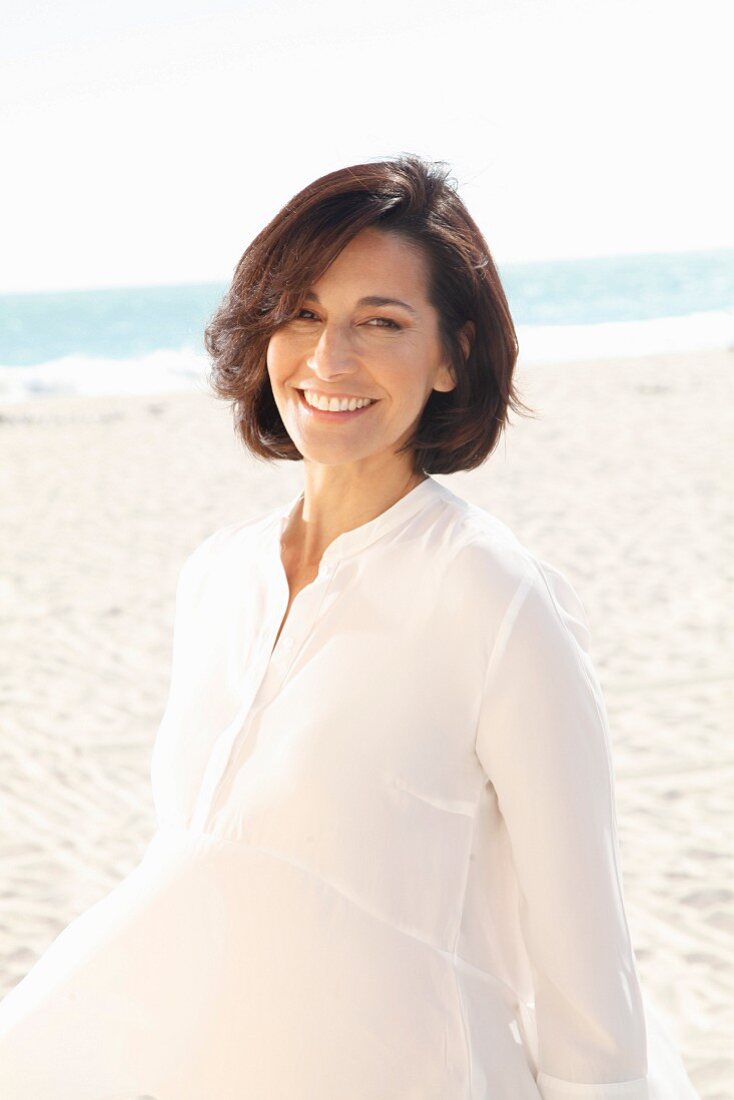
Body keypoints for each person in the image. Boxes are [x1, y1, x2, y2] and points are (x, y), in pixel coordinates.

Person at [0, 154, 698, 1099]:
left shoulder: (494, 597)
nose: (330, 360)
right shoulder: (217, 579)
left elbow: (584, 955)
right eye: (304, 313)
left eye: (382, 322)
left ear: (452, 354)